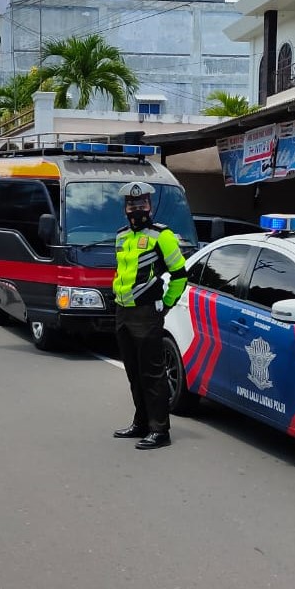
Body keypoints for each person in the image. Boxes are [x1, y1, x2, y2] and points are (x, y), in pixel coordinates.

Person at [111, 182, 187, 450]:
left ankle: (159, 430)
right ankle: (141, 423)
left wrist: (165, 304)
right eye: (131, 205)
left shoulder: (162, 235)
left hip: (147, 313)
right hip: (123, 312)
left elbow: (180, 274)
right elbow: (122, 273)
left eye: (142, 204)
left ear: (150, 206)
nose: (136, 209)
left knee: (152, 374)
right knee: (134, 372)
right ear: (125, 209)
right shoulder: (121, 236)